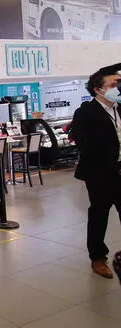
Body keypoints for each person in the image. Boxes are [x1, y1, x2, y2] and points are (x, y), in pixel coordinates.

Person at [71, 64, 121, 279]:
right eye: (114, 84)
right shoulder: (85, 112)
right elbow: (85, 143)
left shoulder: (120, 109)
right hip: (101, 173)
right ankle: (98, 258)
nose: (118, 88)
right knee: (100, 214)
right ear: (98, 89)